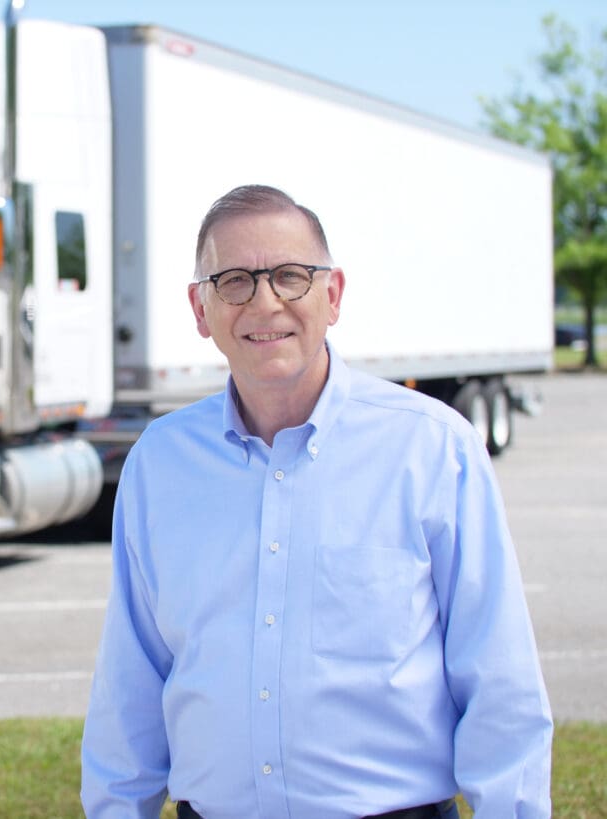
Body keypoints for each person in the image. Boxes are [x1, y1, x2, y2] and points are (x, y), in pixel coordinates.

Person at [80, 184, 553, 818]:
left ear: (332, 296)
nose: (264, 301)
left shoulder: (432, 449)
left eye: (290, 276)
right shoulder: (161, 464)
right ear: (200, 309)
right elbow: (130, 684)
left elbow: (500, 682)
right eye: (234, 281)